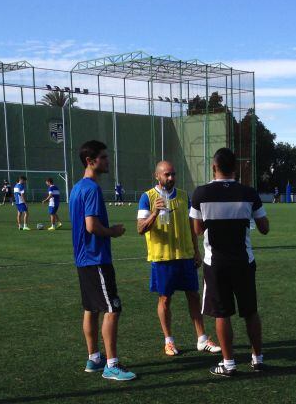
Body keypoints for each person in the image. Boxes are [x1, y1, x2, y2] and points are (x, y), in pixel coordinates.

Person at [190, 147, 269, 377]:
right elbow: (264, 228)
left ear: (214, 167)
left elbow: (197, 230)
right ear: (235, 168)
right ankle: (258, 360)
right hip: (244, 261)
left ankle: (229, 364)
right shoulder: (249, 193)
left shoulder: (201, 194)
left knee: (222, 314)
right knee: (250, 311)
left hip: (216, 263)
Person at [137, 161, 221, 357]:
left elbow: (192, 227)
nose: (171, 178)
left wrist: (196, 252)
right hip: (162, 257)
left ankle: (202, 339)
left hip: (185, 256)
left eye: (173, 174)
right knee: (165, 299)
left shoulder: (184, 196)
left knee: (193, 295)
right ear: (157, 176)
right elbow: (140, 228)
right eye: (167, 174)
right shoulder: (147, 197)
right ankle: (169, 341)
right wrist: (155, 213)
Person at [69, 140, 135, 381]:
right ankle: (111, 364)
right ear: (91, 161)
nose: (108, 161)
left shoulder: (76, 188)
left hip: (83, 259)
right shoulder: (92, 189)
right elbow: (92, 226)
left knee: (91, 308)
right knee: (111, 308)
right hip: (96, 258)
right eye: (104, 157)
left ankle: (94, 358)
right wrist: (113, 231)